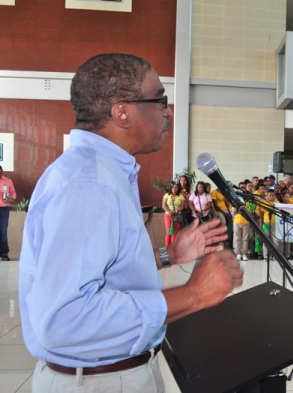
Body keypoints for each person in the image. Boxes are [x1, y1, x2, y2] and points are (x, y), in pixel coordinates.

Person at [19, 53, 243, 393]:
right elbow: (65, 319)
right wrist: (195, 294)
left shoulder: (100, 173)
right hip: (99, 383)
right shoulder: (88, 184)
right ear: (121, 111)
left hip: (112, 374)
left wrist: (168, 255)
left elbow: (102, 271)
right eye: (160, 100)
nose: (168, 112)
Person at [0, 166, 16, 261]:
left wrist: (9, 198)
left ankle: (4, 253)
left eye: (0, 173)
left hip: (4, 209)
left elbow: (13, 195)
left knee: (3, 231)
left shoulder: (8, 181)